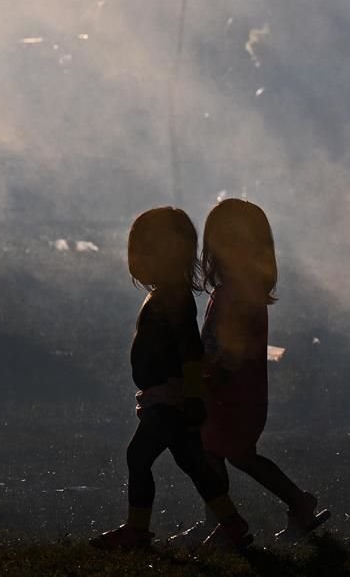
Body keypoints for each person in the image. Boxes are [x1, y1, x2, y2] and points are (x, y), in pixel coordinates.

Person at [91, 207, 252, 550]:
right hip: (170, 397)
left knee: (139, 457)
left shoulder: (173, 298)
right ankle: (232, 522)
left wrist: (192, 397)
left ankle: (136, 530)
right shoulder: (169, 294)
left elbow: (190, 350)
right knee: (192, 463)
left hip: (168, 399)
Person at [171, 199, 328, 545]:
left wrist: (206, 381)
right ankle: (220, 520)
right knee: (219, 453)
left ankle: (292, 503)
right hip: (233, 391)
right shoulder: (238, 291)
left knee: (236, 454)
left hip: (230, 392)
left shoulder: (239, 294)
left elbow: (230, 350)